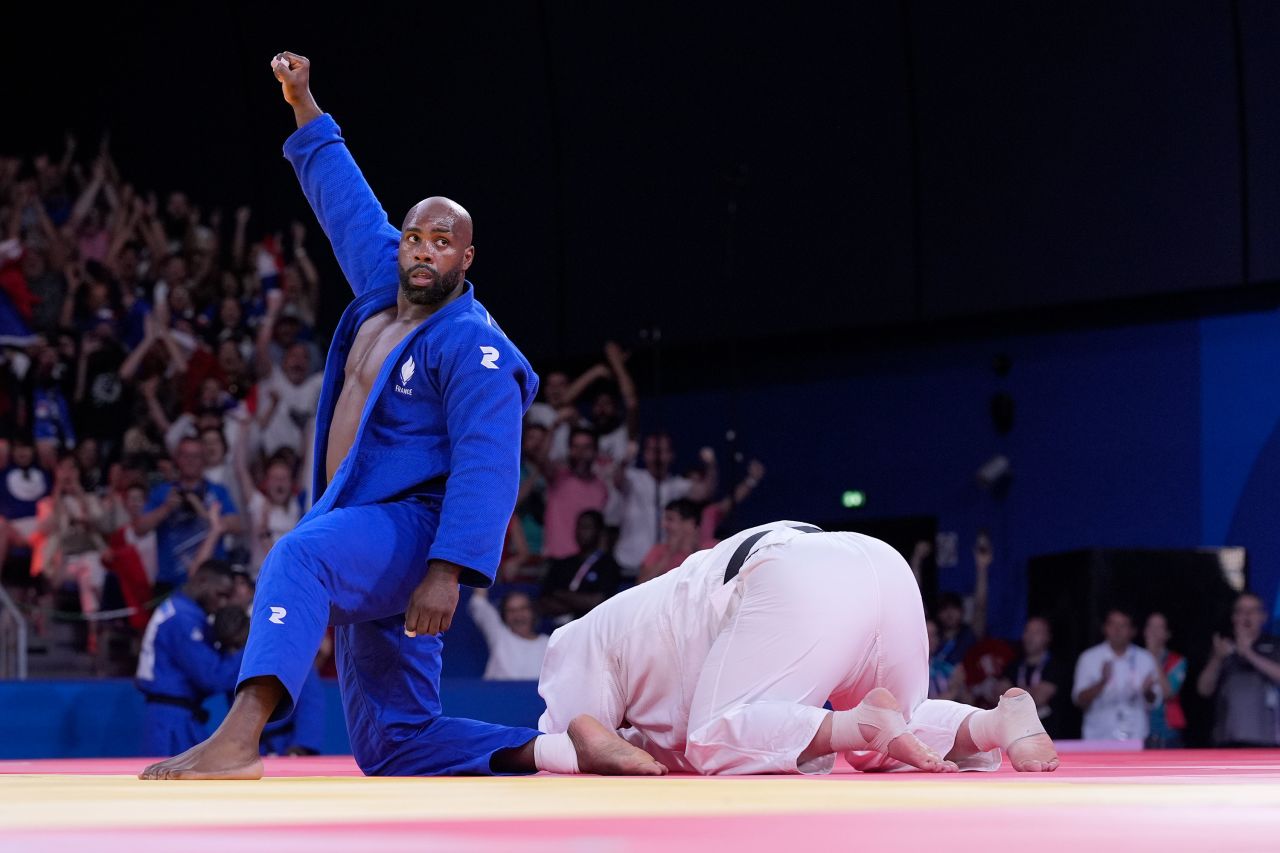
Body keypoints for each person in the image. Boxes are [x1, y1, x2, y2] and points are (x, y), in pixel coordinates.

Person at [140, 53, 645, 780]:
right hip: (365, 522)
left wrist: (447, 571)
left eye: (443, 242)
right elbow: (344, 196)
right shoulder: (383, 290)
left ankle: (241, 739)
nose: (424, 249)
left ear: (466, 257)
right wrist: (302, 99)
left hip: (415, 530)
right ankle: (566, 749)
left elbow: (488, 459)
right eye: (416, 236)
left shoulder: (473, 345)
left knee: (299, 553)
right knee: (395, 744)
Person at [537, 521, 1060, 776]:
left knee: (715, 737)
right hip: (880, 562)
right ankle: (996, 725)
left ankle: (855, 724)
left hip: (796, 575)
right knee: (900, 725)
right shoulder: (635, 617)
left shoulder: (576, 640)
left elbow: (581, 741)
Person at [135, 561, 244, 756]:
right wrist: (247, 649)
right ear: (202, 581)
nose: (222, 604)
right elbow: (212, 677)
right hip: (172, 722)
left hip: (178, 715)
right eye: (220, 594)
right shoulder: (181, 619)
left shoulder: (184, 612)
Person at [134, 436, 241, 594]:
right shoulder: (162, 492)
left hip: (211, 580)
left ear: (204, 459)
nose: (190, 461)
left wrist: (204, 513)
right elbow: (139, 528)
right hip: (170, 581)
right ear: (177, 459)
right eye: (185, 456)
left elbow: (237, 525)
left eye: (196, 456)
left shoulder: (217, 491)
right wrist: (166, 508)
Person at [613, 435, 715, 576]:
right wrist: (624, 461)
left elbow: (704, 492)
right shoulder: (633, 478)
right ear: (645, 454)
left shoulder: (675, 484)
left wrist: (711, 466)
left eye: (662, 451)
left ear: (671, 455)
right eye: (652, 450)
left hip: (660, 563)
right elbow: (617, 480)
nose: (657, 456)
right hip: (628, 562)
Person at [1195, 592, 1280, 747]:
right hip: (1227, 741)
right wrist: (1217, 659)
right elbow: (1203, 689)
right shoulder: (1222, 648)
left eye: (1252, 611)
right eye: (1241, 611)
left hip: (1266, 740)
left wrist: (1248, 653)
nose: (1246, 616)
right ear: (1234, 618)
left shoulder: (1274, 646)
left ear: (1263, 617)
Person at [1072, 609, 1160, 741]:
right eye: (1112, 624)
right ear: (1105, 628)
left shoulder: (1145, 658)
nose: (1117, 630)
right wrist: (1102, 683)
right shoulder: (1089, 658)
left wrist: (1147, 691)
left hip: (1135, 738)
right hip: (1097, 738)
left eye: (1123, 625)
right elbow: (1079, 700)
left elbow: (1155, 701)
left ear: (1132, 631)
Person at [540, 509, 621, 625]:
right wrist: (580, 603)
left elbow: (599, 602)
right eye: (579, 527)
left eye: (587, 527)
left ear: (599, 532)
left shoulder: (608, 565)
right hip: (557, 628)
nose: (581, 531)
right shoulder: (561, 564)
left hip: (592, 626)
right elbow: (543, 602)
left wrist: (560, 594)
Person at [998, 616, 1069, 740]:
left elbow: (1040, 698)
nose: (1030, 637)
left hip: (1050, 736)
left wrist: (1013, 692)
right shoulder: (1013, 666)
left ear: (1048, 637)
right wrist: (1029, 692)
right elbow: (1000, 697)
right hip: (1016, 736)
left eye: (1037, 632)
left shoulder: (1056, 667)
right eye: (1027, 631)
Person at [468, 588, 549, 681]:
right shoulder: (499, 635)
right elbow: (479, 603)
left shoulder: (549, 643)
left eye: (523, 608)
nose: (518, 616)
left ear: (533, 612)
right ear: (504, 615)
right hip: (498, 694)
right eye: (511, 611)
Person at [1142, 612, 1187, 749]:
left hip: (1167, 735)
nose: (1154, 632)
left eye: (1159, 627)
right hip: (1138, 734)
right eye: (1151, 626)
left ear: (1167, 634)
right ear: (1144, 631)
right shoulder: (1134, 658)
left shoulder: (1177, 661)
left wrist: (1152, 656)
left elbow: (1169, 693)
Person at [637, 498, 701, 584]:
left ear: (689, 524)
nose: (663, 525)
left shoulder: (710, 549)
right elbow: (640, 584)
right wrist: (669, 554)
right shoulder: (658, 551)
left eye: (670, 519)